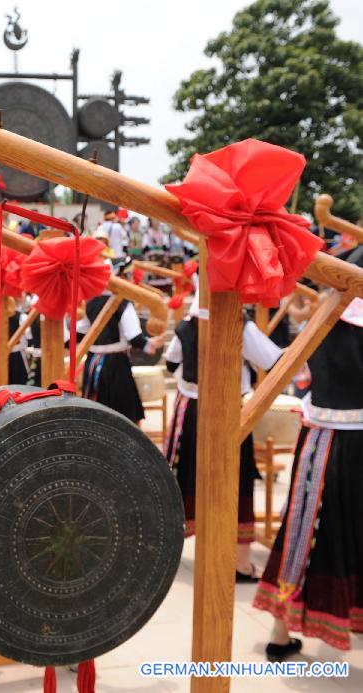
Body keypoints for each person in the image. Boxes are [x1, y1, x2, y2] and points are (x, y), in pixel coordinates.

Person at [251, 248, 363, 660]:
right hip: (356, 442)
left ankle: (280, 634)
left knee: (303, 534)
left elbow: (296, 373)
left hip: (318, 441)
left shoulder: (323, 320)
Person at [163, 292, 282, 581]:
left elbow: (170, 363)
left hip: (189, 409)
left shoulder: (186, 326)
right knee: (234, 477)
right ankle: (241, 563)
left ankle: (169, 551)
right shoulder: (240, 325)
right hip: (227, 410)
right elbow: (273, 361)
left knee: (184, 475)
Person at [72, 258, 164, 423]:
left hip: (93, 363)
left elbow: (79, 334)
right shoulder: (122, 303)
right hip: (116, 366)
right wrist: (151, 345)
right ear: (119, 278)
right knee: (124, 416)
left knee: (97, 413)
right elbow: (135, 337)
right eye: (127, 276)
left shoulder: (91, 302)